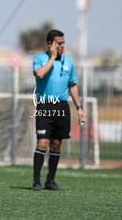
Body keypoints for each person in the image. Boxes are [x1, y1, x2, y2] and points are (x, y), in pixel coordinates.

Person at [31, 29, 84, 191]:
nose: (62, 46)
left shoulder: (68, 62)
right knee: (42, 142)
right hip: (45, 106)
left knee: (55, 144)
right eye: (59, 43)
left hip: (62, 106)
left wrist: (79, 107)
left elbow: (72, 85)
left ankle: (50, 181)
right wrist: (53, 57)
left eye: (63, 43)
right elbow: (39, 74)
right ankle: (36, 181)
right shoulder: (39, 59)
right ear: (50, 44)